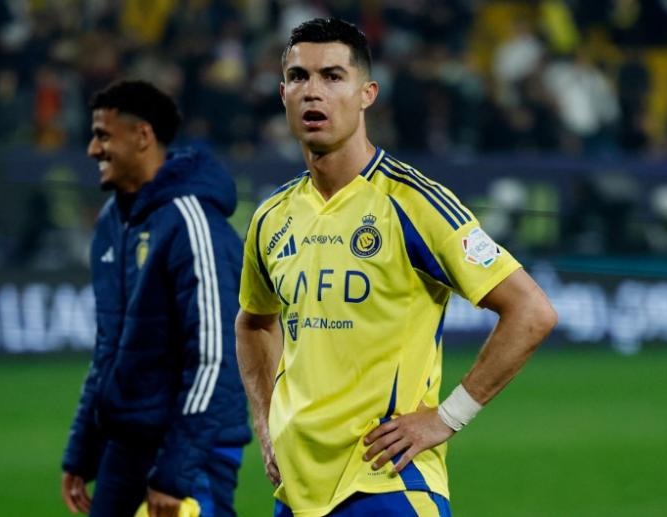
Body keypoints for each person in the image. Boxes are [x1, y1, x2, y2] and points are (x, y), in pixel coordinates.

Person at [235, 17, 558, 517]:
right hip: (296, 494)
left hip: (388, 485)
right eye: (299, 77)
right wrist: (265, 421)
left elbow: (532, 311)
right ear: (283, 94)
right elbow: (254, 322)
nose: (313, 91)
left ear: (367, 94)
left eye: (332, 76)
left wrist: (447, 418)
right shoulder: (271, 217)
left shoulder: (413, 203)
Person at [61, 80, 250, 517]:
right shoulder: (114, 222)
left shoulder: (192, 220)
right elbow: (109, 350)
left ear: (142, 135)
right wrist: (82, 452)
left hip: (193, 448)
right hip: (128, 444)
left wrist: (175, 472)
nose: (92, 149)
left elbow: (215, 357)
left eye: (103, 135)